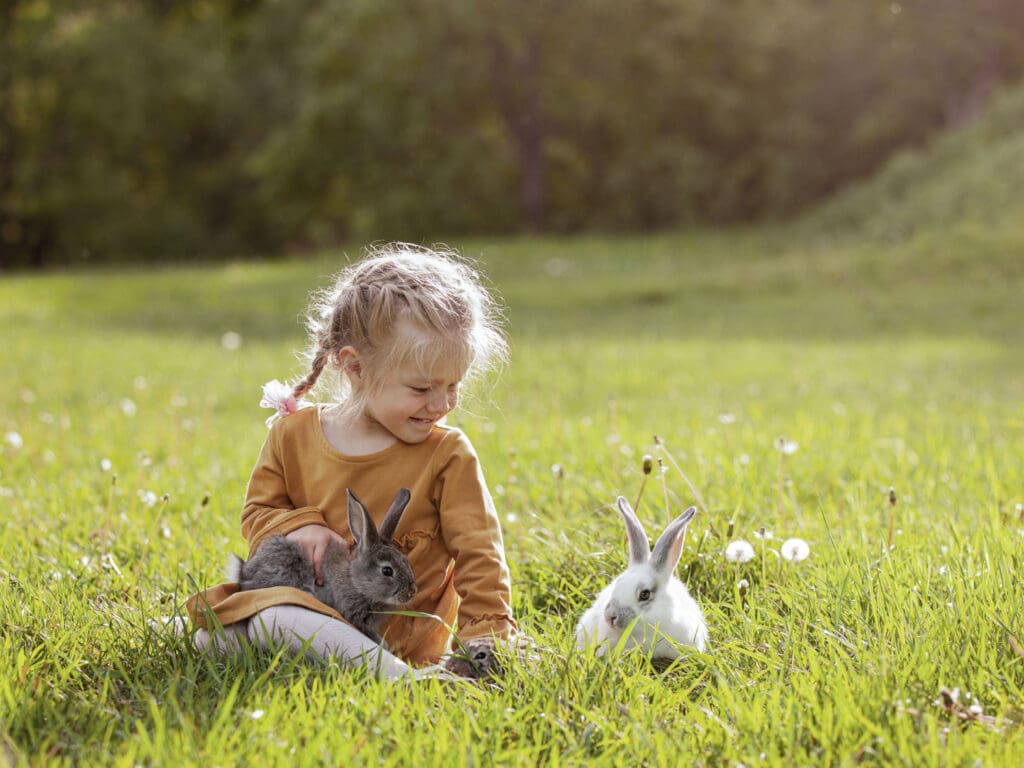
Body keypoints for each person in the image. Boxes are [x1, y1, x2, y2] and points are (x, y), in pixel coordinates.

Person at [186, 243, 517, 681]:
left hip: (390, 630)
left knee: (271, 621)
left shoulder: (447, 455)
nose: (441, 404)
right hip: (307, 604)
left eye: (452, 385)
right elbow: (257, 514)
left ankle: (402, 678)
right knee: (213, 636)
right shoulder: (293, 434)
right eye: (421, 389)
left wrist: (485, 640)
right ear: (355, 368)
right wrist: (300, 524)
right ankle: (270, 640)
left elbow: (479, 555)